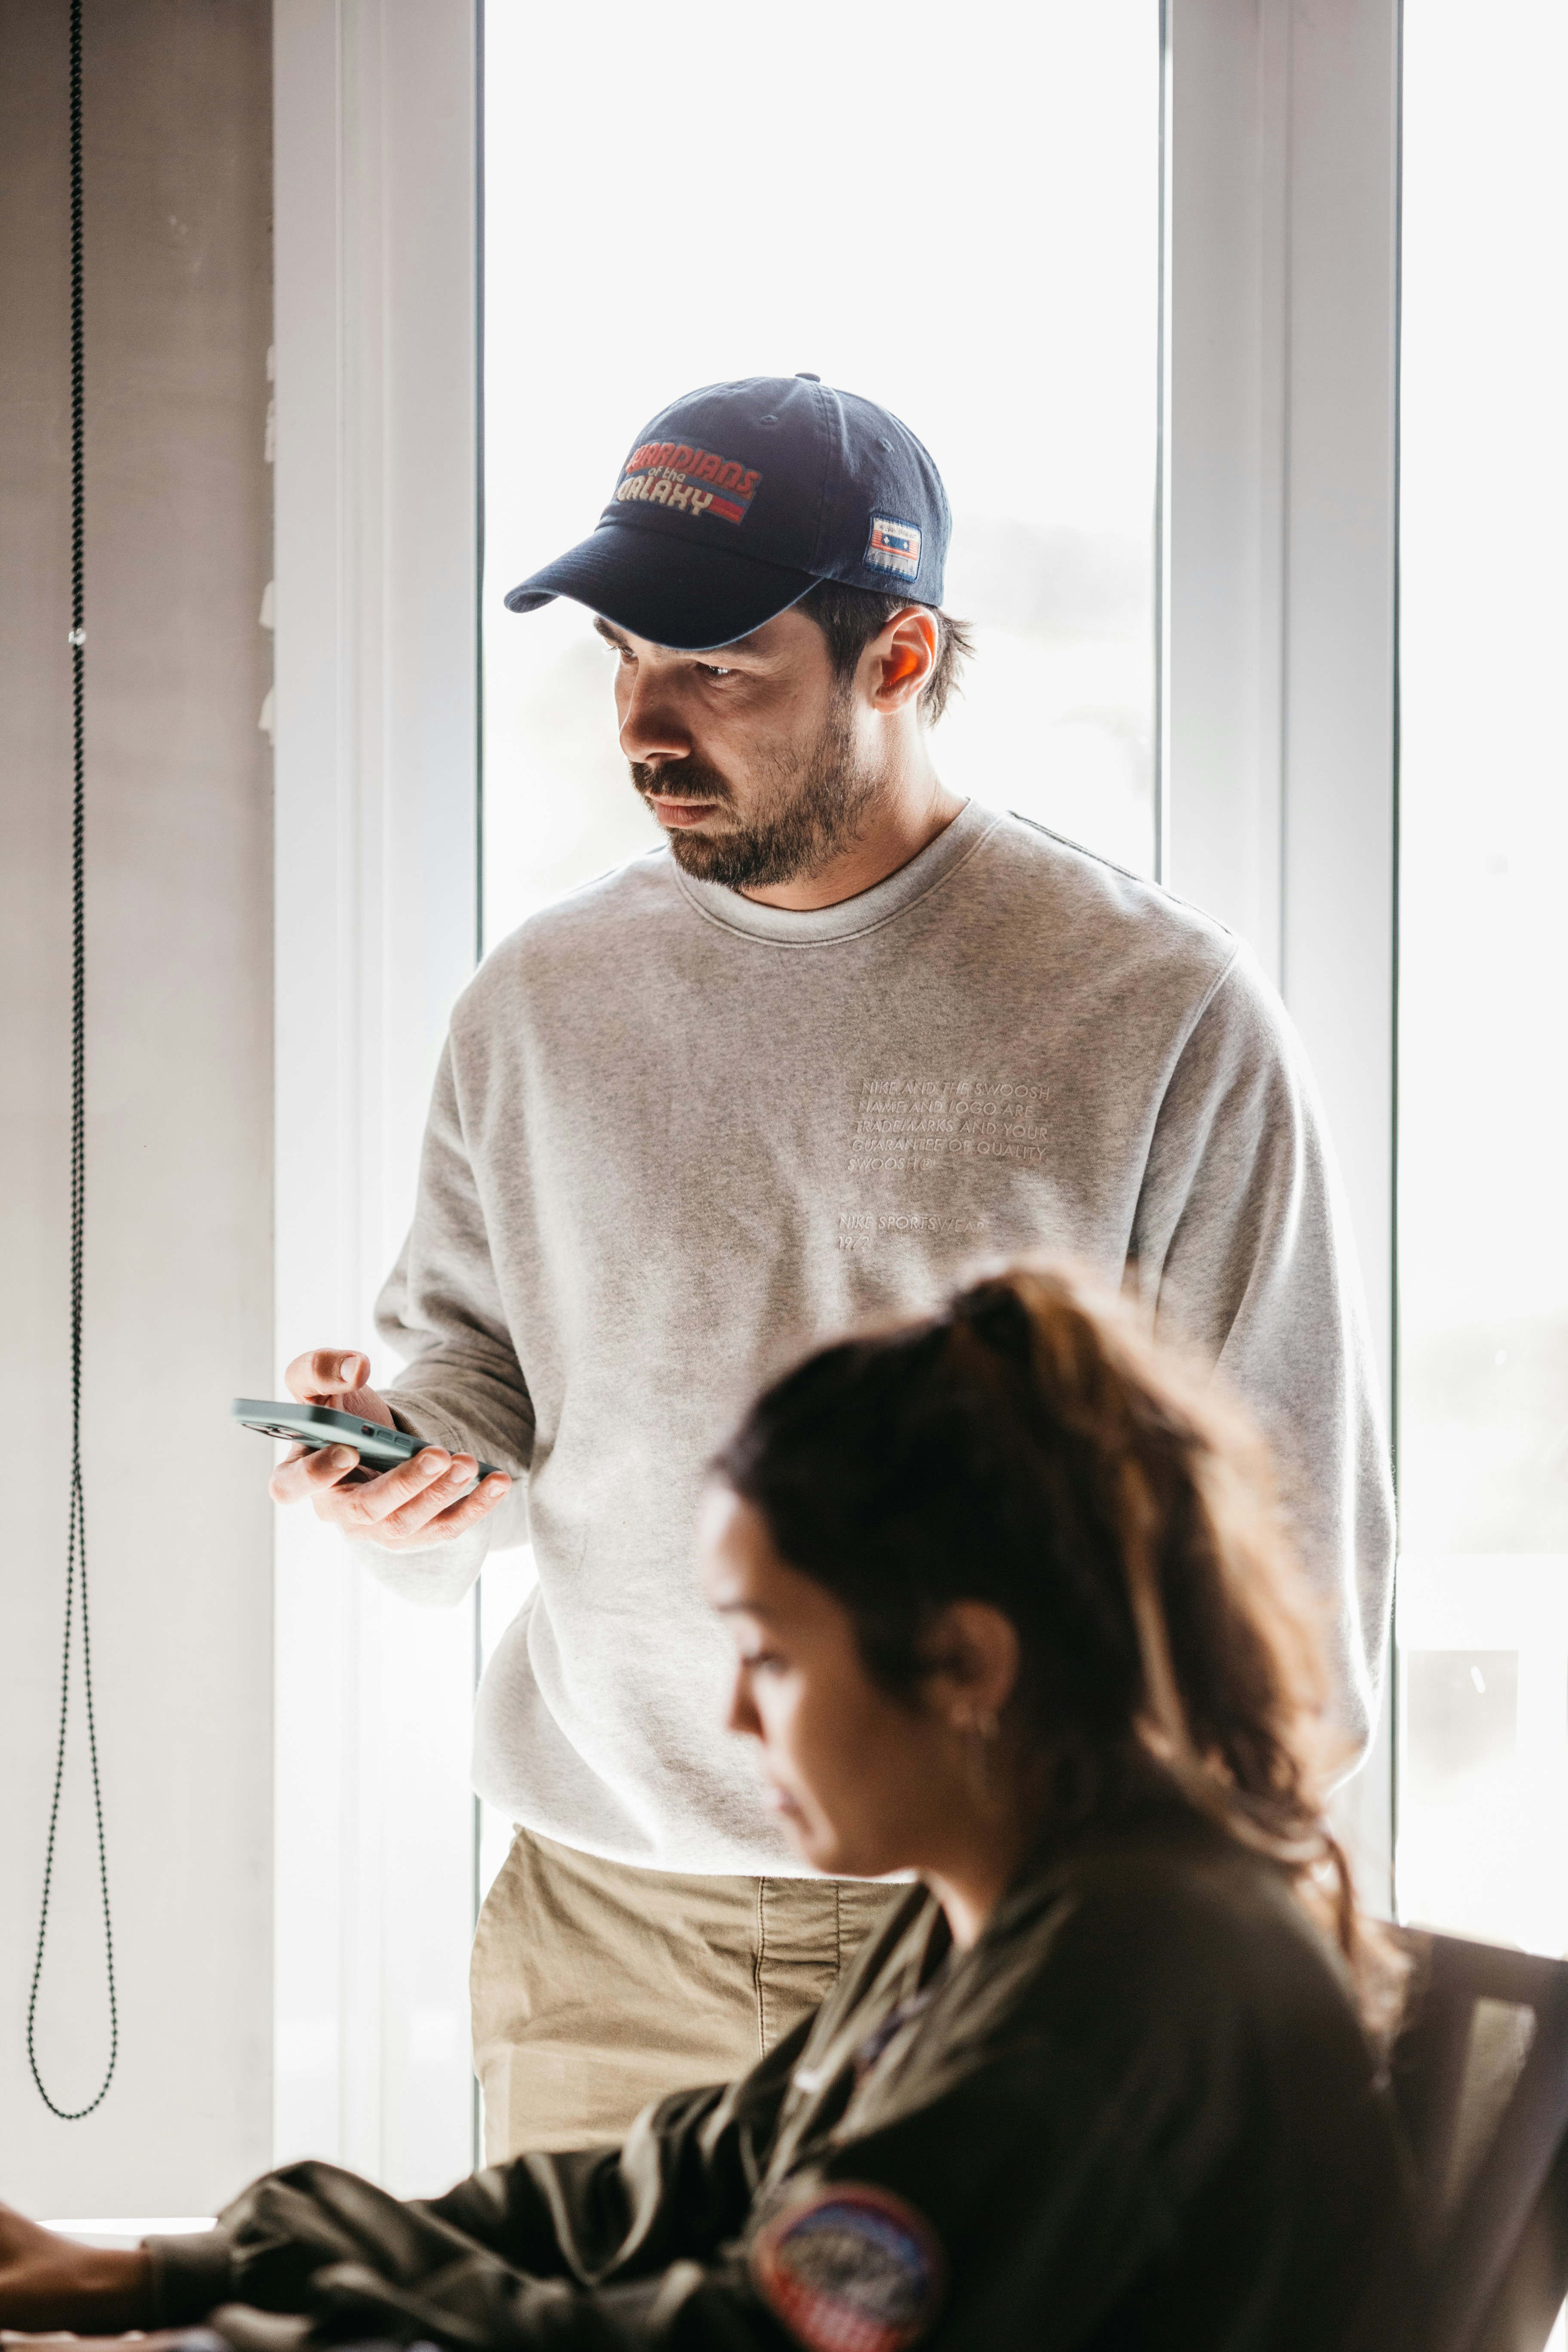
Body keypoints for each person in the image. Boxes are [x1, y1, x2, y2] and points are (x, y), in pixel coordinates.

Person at [268, 371, 1395, 2156]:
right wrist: (406, 1471)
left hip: (997, 1930)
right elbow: (478, 1389)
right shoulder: (536, 1005)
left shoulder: (1161, 1010)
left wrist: (1180, 1946)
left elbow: (1289, 1544)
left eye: (718, 668)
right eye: (624, 656)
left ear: (898, 658)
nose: (646, 724)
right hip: (607, 1932)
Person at [0, 1266, 1413, 2352]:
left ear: (966, 1662)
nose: (737, 1721)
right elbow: (677, 2184)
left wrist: (226, 2315)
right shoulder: (1003, 1911)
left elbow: (741, 2344)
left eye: (771, 1659)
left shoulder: (1120, 1987)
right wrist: (171, 2273)